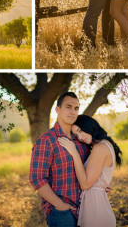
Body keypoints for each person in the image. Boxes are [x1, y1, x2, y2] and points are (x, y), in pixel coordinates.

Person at [29, 92, 90, 227]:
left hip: (85, 207)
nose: (73, 112)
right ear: (57, 110)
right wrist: (60, 205)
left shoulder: (81, 140)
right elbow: (37, 178)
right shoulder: (47, 140)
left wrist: (101, 184)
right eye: (68, 107)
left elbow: (88, 168)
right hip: (61, 212)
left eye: (76, 108)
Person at [58, 115, 122, 227]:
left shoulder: (100, 147)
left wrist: (74, 152)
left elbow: (85, 184)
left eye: (80, 131)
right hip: (95, 206)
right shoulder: (101, 145)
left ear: (89, 125)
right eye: (76, 135)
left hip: (96, 210)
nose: (80, 137)